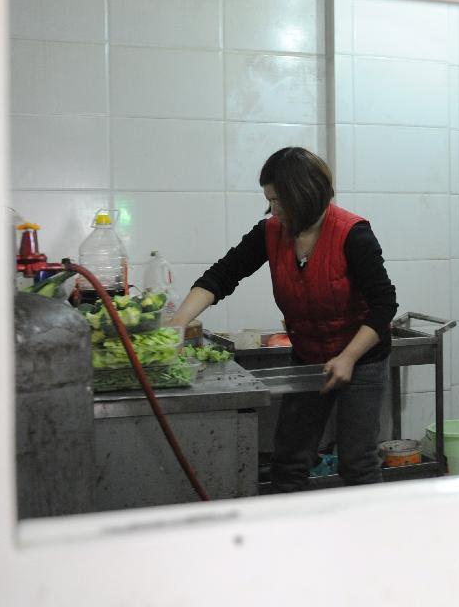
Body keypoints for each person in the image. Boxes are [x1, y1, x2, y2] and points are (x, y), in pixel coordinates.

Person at [170, 147, 397, 492]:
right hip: (308, 357)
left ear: (304, 195)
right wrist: (178, 323)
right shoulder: (271, 232)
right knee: (289, 461)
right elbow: (221, 276)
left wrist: (348, 357)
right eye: (269, 200)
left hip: (363, 357)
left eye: (279, 200)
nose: (273, 209)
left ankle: (371, 541)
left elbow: (384, 305)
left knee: (358, 462)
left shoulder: (353, 234)